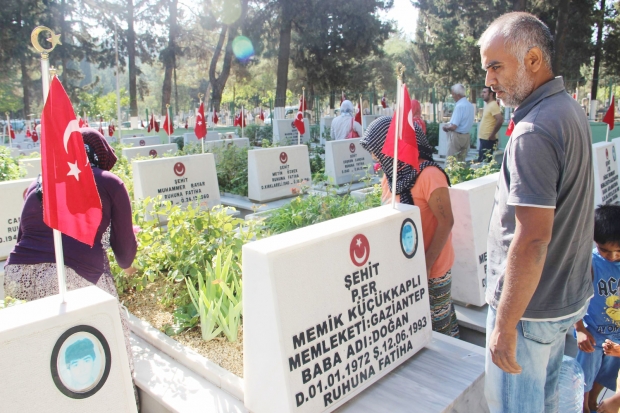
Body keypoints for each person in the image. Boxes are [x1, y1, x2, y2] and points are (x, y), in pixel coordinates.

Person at [479, 12, 594, 412]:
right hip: (559, 299)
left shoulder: (534, 131)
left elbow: (532, 239)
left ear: (532, 60)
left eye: (496, 66)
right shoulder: (566, 109)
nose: (489, 80)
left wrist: (505, 325)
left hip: (529, 312)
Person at [3, 128, 138, 389]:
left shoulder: (38, 183)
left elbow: (23, 237)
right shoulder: (109, 182)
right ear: (100, 155)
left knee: (44, 352)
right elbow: (124, 256)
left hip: (17, 277)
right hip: (70, 278)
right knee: (105, 346)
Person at [360, 115, 459, 338]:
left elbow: (446, 222)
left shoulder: (430, 175)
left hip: (433, 268)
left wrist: (426, 265)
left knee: (439, 330)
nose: (373, 155)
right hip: (406, 267)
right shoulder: (391, 177)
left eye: (375, 149)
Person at [575, 205, 620, 413]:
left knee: (608, 373)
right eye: (605, 250)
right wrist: (579, 329)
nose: (612, 256)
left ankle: (594, 401)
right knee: (585, 375)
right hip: (592, 333)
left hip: (617, 338)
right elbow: (575, 297)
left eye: (618, 251)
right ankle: (584, 406)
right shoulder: (591, 263)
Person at [442, 84, 474, 161]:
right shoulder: (470, 105)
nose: (452, 96)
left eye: (453, 94)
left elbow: (454, 126)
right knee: (461, 162)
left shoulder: (459, 106)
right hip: (466, 136)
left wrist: (446, 127)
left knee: (451, 161)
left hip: (457, 137)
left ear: (458, 95)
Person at [477, 86, 503, 162]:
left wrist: (492, 135)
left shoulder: (493, 105)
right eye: (482, 92)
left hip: (488, 139)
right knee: (482, 161)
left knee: (485, 162)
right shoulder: (489, 105)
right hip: (484, 138)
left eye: (484, 92)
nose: (482, 94)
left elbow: (500, 120)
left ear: (491, 94)